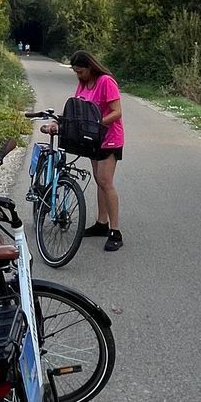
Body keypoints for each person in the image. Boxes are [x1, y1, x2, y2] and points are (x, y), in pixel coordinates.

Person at [68, 49, 124, 252]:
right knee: (99, 180)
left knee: (106, 182)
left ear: (90, 67)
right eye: (76, 72)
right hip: (93, 138)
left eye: (81, 71)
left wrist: (97, 123)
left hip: (110, 138)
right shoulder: (83, 83)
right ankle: (101, 223)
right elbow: (78, 107)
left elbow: (117, 112)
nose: (78, 75)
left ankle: (115, 231)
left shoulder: (106, 82)